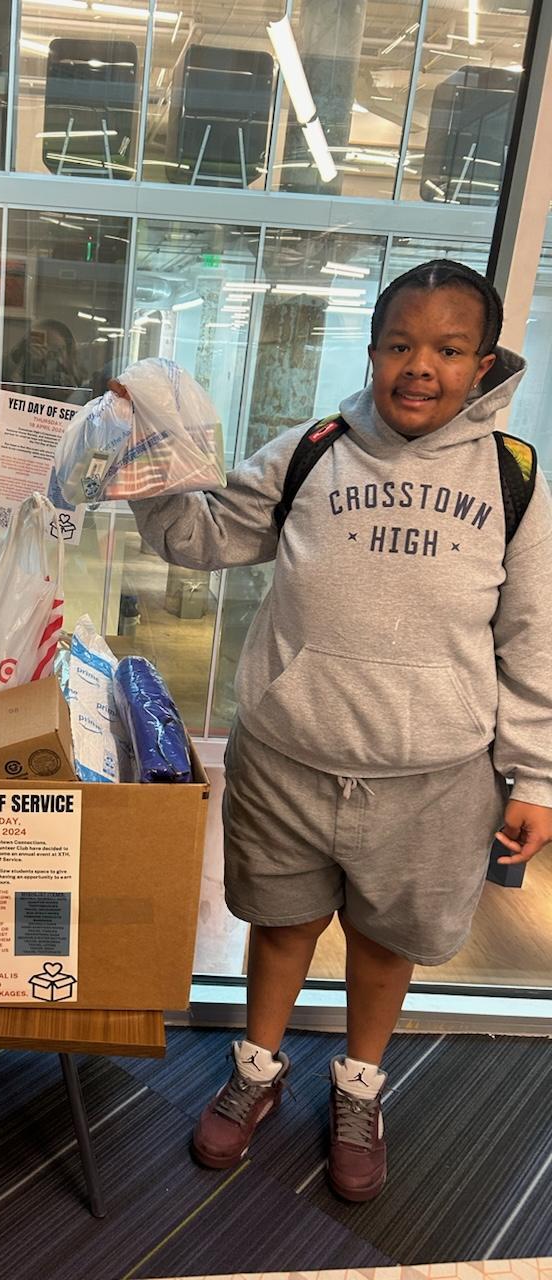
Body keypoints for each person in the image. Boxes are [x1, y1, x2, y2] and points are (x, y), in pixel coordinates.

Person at [125, 260, 552, 1202]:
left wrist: (537, 777)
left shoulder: (514, 478)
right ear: (372, 350)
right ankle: (257, 1070)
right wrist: (148, 469)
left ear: (484, 365)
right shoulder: (313, 451)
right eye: (400, 345)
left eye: (448, 350)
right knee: (280, 927)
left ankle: (359, 1087)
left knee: (386, 943)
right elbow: (203, 537)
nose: (420, 367)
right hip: (289, 756)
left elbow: (534, 636)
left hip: (434, 776)